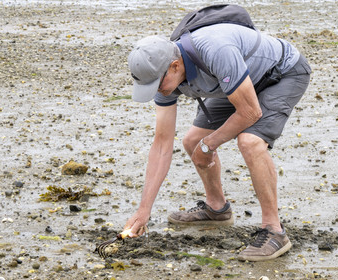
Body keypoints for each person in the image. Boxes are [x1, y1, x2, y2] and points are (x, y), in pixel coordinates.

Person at [123, 12, 311, 261]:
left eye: (157, 85)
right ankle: (217, 208)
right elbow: (161, 144)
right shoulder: (165, 76)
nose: (158, 91)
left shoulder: (214, 50)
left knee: (250, 142)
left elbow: (251, 111)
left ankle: (274, 231)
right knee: (191, 141)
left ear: (175, 66)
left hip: (281, 74)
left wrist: (209, 145)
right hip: (235, 84)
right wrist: (143, 210)